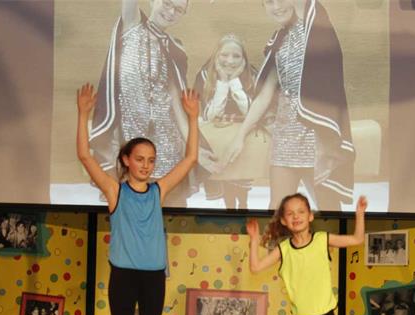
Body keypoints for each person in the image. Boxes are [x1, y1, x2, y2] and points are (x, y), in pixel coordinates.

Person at [77, 81, 200, 315]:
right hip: (124, 276)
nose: (146, 166)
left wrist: (193, 118)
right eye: (140, 159)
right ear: (126, 161)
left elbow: (190, 159)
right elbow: (85, 156)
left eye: (151, 161)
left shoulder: (159, 190)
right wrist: (84, 114)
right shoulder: (115, 191)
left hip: (153, 277)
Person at [222, 0, 355, 211]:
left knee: (328, 209)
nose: (277, 7)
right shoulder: (279, 39)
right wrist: (240, 136)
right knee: (277, 209)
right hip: (285, 135)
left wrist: (325, 145)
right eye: (269, 2)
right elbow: (264, 96)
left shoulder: (315, 25)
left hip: (315, 135)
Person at [89, 0, 209, 207]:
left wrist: (194, 143)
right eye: (167, 3)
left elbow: (176, 102)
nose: (171, 11)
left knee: (173, 208)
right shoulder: (132, 25)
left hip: (168, 145)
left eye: (179, 9)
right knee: (128, 209)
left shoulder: (175, 47)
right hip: (131, 140)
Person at [193, 33, 263, 209]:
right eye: (224, 55)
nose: (230, 61)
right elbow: (209, 115)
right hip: (217, 132)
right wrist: (223, 82)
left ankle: (243, 203)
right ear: (216, 55)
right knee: (224, 173)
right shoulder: (204, 75)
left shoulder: (252, 74)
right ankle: (229, 206)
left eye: (236, 56)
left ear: (243, 58)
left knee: (240, 173)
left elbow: (251, 111)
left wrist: (235, 82)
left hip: (243, 132)